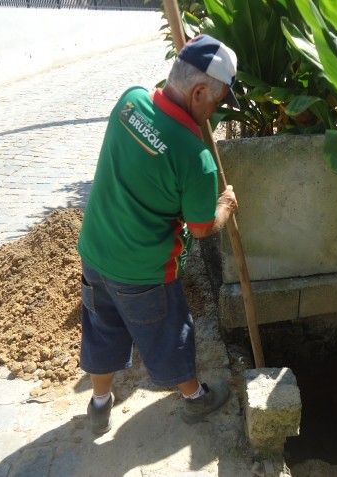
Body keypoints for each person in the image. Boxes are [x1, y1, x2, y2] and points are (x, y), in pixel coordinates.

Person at [76, 34, 240, 435]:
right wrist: (225, 205)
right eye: (217, 102)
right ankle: (195, 398)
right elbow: (201, 230)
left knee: (103, 329)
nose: (216, 111)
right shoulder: (196, 158)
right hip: (144, 271)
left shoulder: (130, 101)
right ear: (200, 90)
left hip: (95, 252)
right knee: (167, 335)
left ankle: (99, 403)